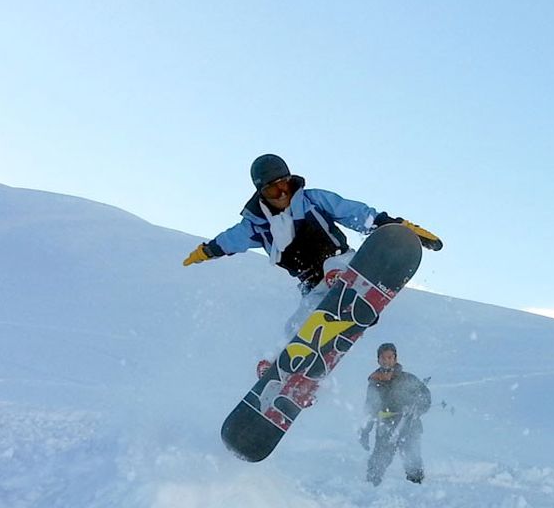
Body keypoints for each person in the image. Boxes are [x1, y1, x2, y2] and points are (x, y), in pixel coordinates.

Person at [182, 154, 442, 375]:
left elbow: (355, 212)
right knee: (294, 327)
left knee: (332, 268)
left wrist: (394, 225)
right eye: (273, 190)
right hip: (313, 286)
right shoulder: (256, 225)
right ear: (262, 193)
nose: (282, 193)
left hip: (345, 262)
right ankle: (285, 372)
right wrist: (206, 251)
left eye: (284, 184)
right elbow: (230, 240)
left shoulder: (312, 200)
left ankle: (347, 287)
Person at [359, 342, 431, 485]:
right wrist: (365, 431)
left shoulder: (408, 379)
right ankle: (370, 488)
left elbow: (425, 397)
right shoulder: (374, 383)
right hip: (386, 427)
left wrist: (417, 409)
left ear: (395, 359)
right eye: (383, 358)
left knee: (413, 460)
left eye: (390, 357)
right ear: (378, 359)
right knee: (378, 461)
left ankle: (417, 487)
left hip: (409, 426)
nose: (387, 361)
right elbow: (370, 409)